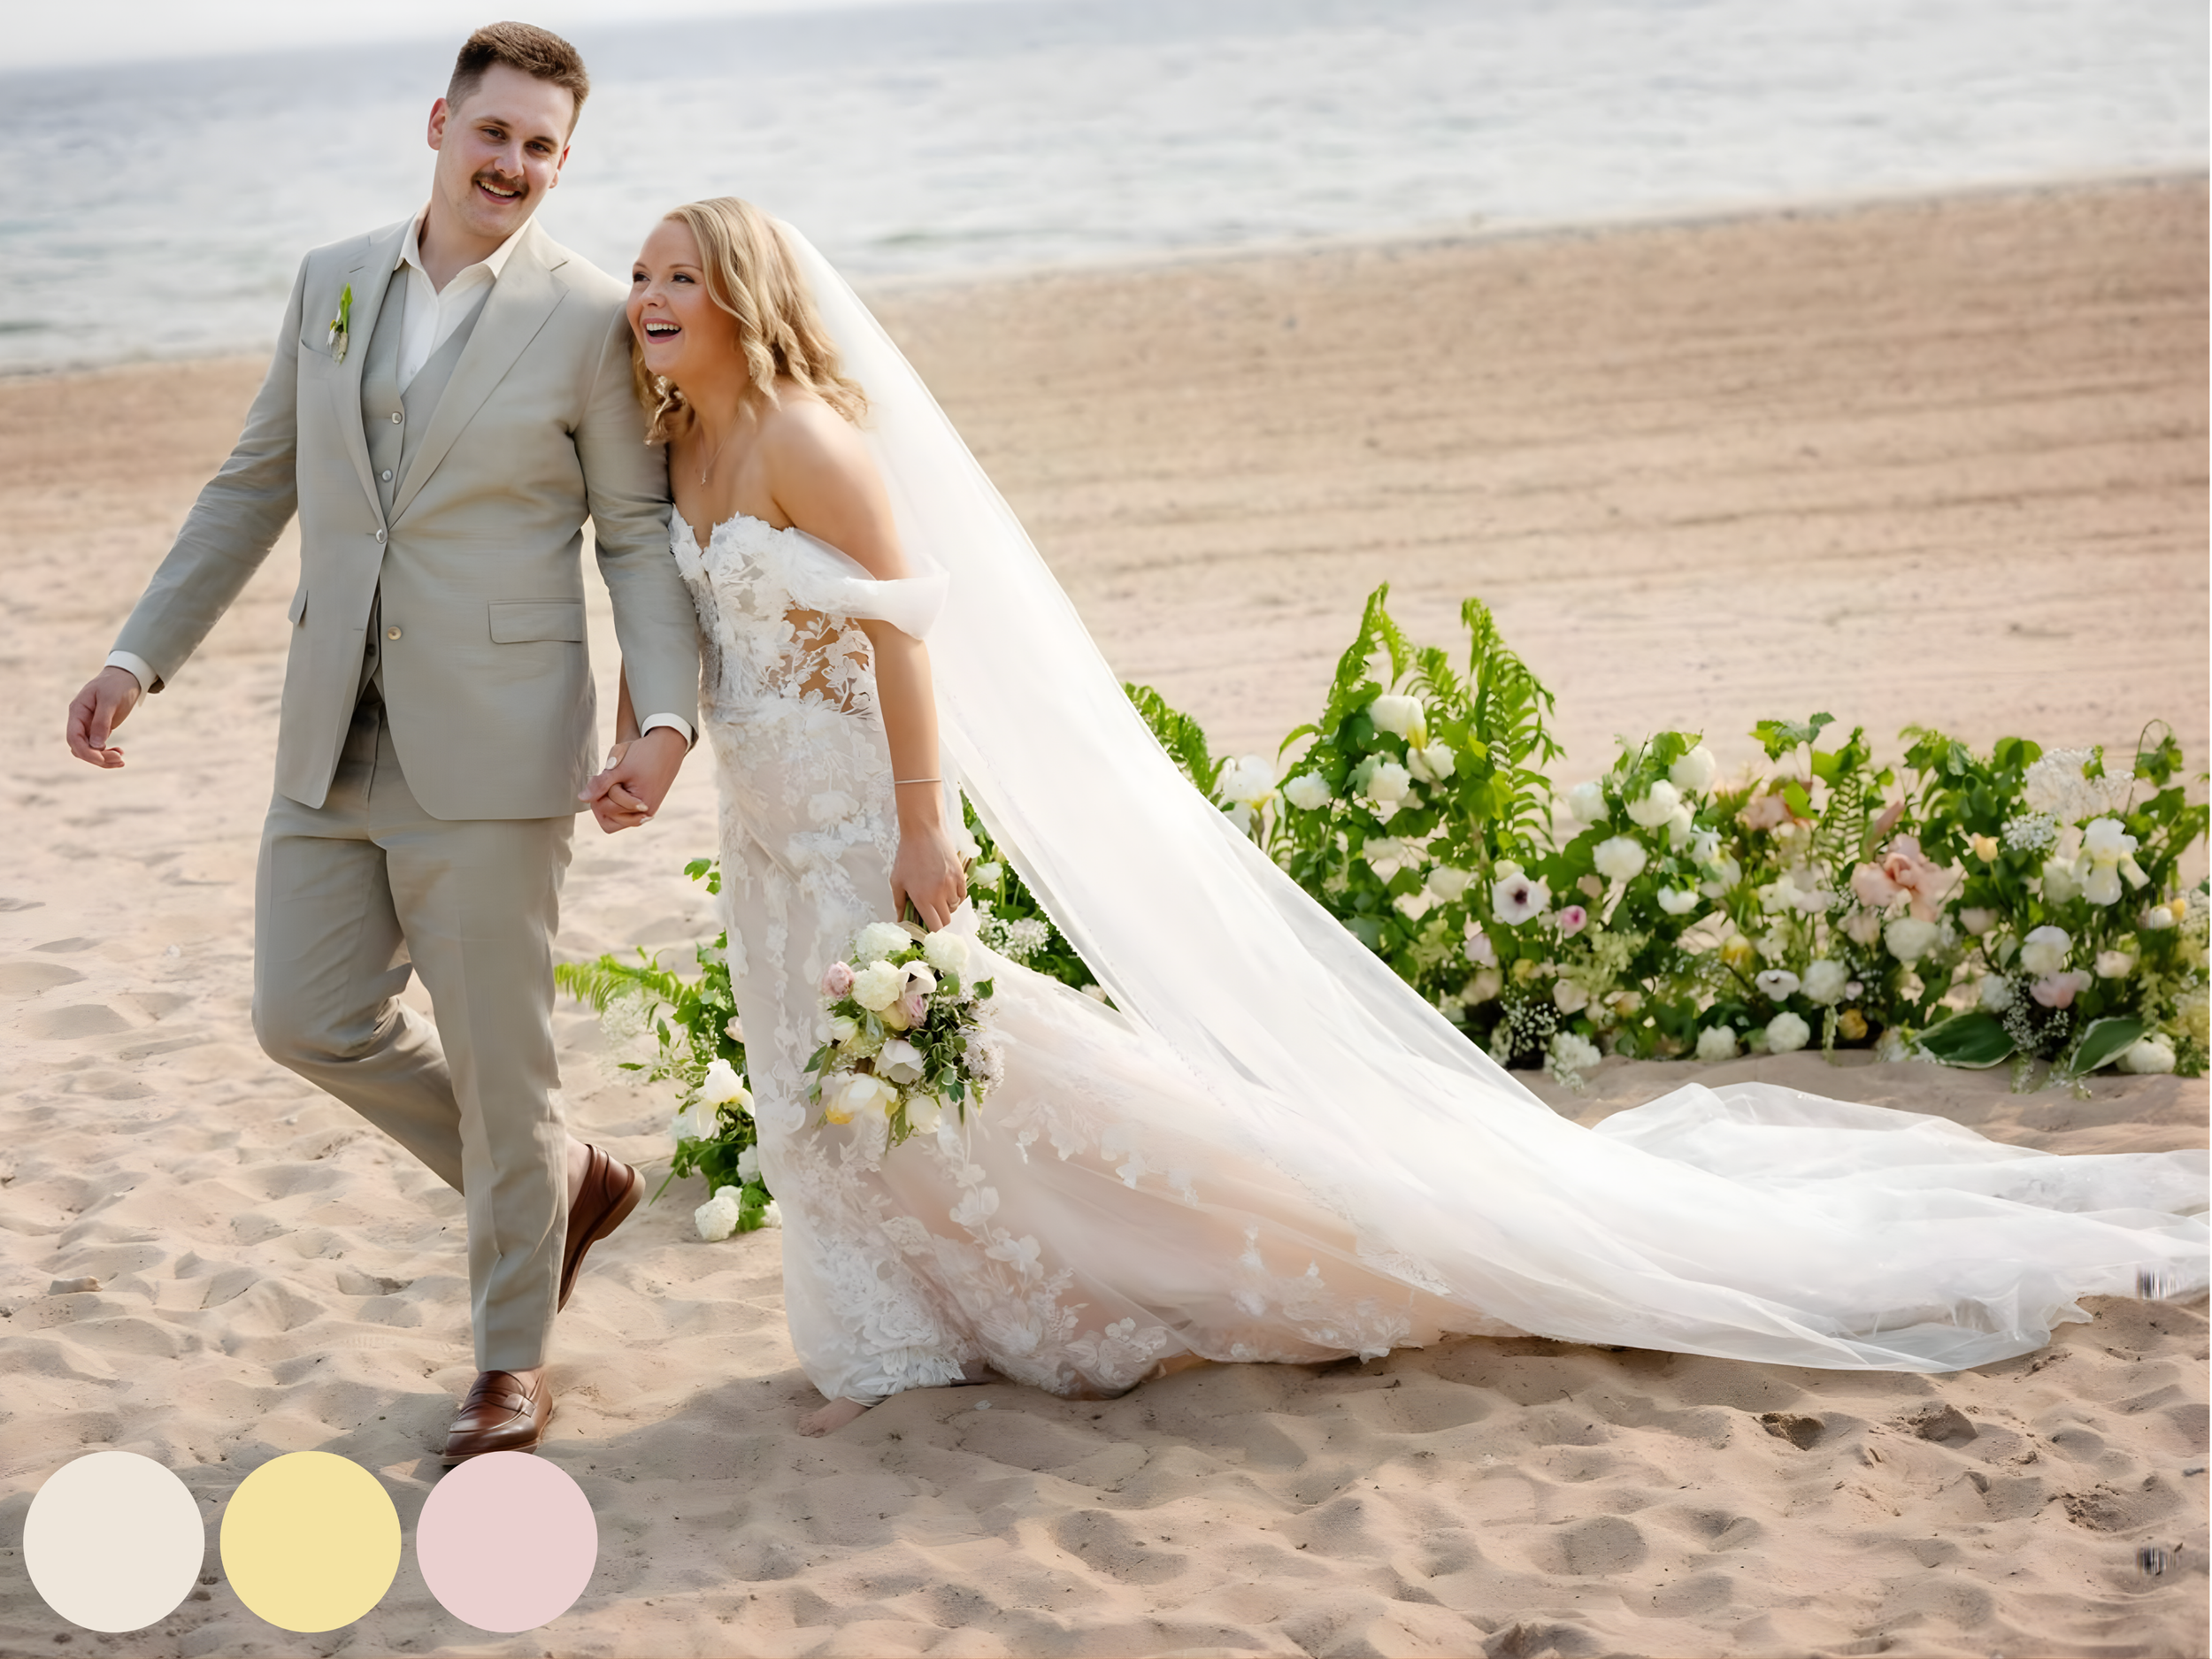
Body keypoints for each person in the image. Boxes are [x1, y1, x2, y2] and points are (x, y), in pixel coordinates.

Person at [625, 196, 2207, 1437]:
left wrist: (919, 824)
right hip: (770, 828)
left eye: (678, 275)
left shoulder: (815, 437)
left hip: (858, 817)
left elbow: (910, 632)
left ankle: (1199, 1246)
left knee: (927, 1061)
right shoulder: (682, 448)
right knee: (816, 1069)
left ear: (746, 292)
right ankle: (894, 1330)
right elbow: (715, 645)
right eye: (639, 277)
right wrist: (660, 757)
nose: (649, 298)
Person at [62, 24, 702, 1464]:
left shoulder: (590, 317)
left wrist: (664, 720)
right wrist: (136, 654)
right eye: (497, 135)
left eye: (545, 147)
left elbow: (638, 538)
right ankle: (564, 1180)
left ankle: (509, 1359)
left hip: (493, 739)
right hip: (327, 728)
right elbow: (255, 482)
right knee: (305, 1017)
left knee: (503, 1055)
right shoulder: (332, 283)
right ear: (438, 124)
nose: (517, 167)